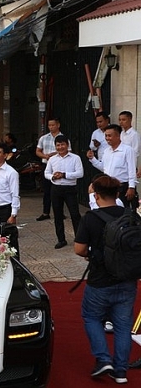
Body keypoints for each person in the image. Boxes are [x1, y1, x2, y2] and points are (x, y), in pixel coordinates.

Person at [74, 175, 136, 384]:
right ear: (117, 194)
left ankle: (103, 359)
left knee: (91, 317)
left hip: (100, 280)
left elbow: (79, 249)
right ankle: (120, 371)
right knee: (123, 325)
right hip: (127, 280)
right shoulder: (130, 216)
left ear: (96, 195)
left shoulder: (90, 218)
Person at [44, 135, 83, 249]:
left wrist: (64, 175)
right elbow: (46, 173)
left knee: (75, 214)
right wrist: (53, 177)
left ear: (67, 145)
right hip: (56, 188)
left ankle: (79, 238)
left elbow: (80, 173)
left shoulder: (75, 158)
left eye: (62, 144)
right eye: (58, 145)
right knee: (58, 214)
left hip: (70, 188)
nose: (60, 147)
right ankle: (61, 239)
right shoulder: (52, 159)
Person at [87, 124, 138, 210]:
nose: (107, 138)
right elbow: (103, 167)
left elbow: (132, 170)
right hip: (108, 186)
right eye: (106, 136)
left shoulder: (127, 150)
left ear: (118, 136)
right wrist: (92, 159)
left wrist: (131, 187)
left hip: (122, 186)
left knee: (122, 211)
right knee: (108, 209)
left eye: (110, 135)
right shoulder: (107, 151)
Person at [36, 118, 68, 221]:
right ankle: (46, 212)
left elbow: (69, 151)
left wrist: (55, 154)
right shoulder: (44, 138)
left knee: (60, 190)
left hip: (59, 166)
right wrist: (45, 156)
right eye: (49, 125)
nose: (51, 127)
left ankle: (60, 212)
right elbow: (38, 151)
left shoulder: (63, 138)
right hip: (47, 165)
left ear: (58, 125)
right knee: (47, 190)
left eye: (53, 125)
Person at [118, 110, 140, 177]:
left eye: (123, 120)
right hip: (120, 164)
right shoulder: (121, 133)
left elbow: (136, 152)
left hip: (129, 165)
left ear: (130, 119)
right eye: (120, 120)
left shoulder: (134, 134)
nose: (121, 122)